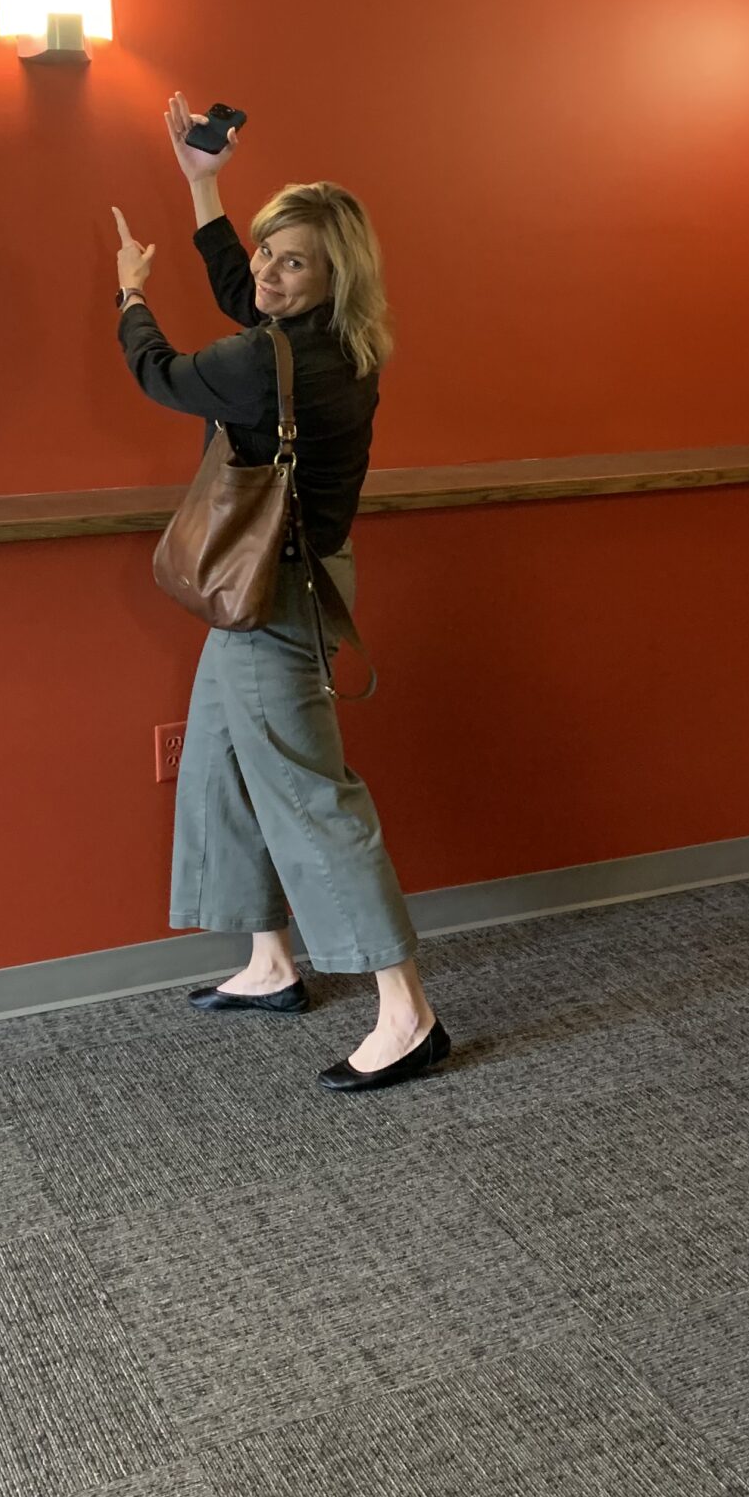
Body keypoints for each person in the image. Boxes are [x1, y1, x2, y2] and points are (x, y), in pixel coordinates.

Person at [110, 94, 448, 1094]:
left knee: (311, 794)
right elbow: (239, 292)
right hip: (283, 581)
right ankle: (269, 963)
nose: (265, 270)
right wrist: (203, 186)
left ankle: (409, 1014)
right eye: (266, 249)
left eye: (292, 261)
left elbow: (164, 374)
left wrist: (130, 294)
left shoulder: (268, 363)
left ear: (334, 274)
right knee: (218, 766)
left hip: (278, 593)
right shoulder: (336, 342)